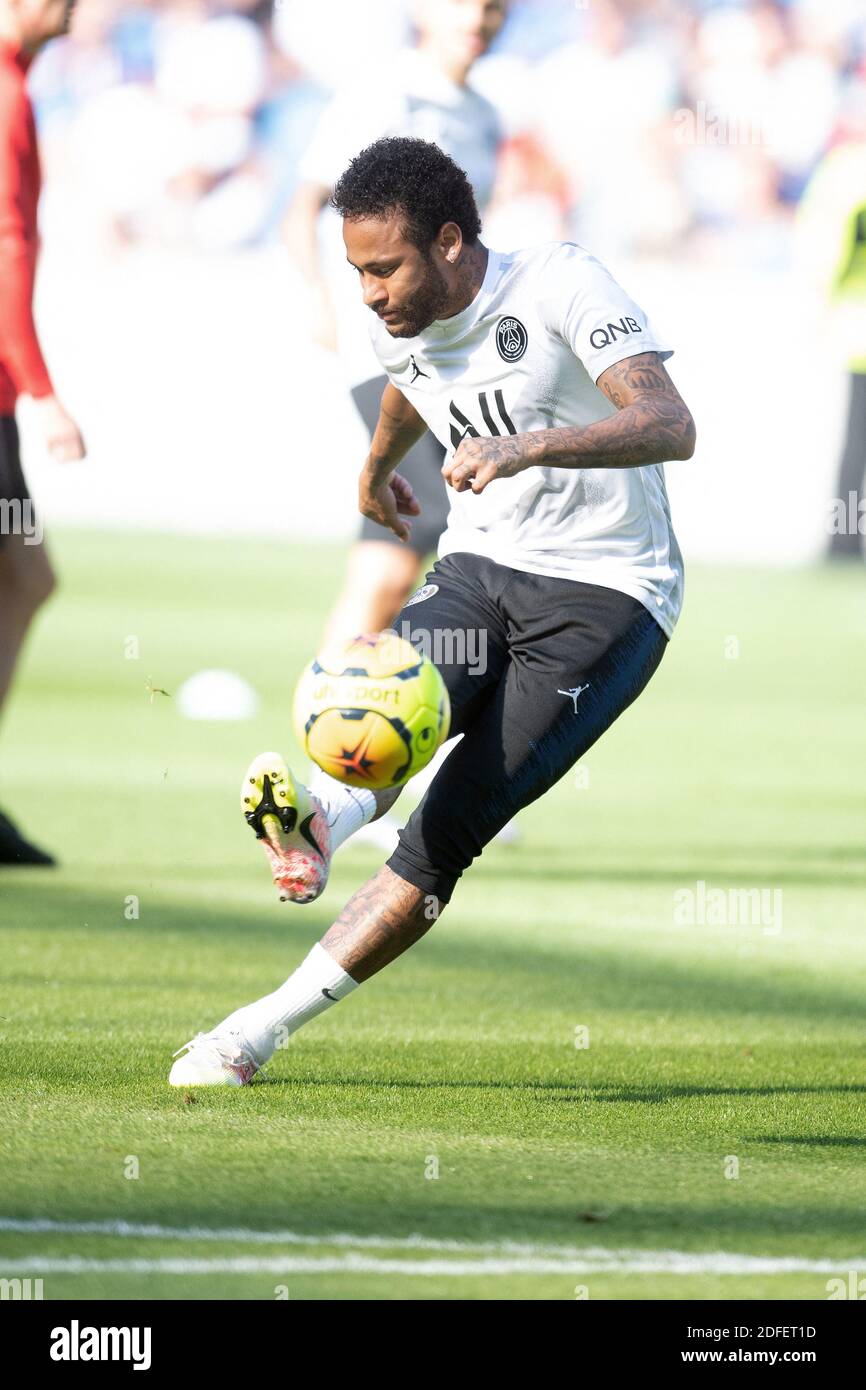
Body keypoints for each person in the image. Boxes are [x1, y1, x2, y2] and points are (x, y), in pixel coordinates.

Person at [170, 137, 695, 1087]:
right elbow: (412, 388)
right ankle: (320, 821)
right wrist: (374, 469)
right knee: (379, 707)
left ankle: (252, 1032)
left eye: (383, 267)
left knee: (444, 830)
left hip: (609, 599)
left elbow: (671, 424)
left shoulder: (561, 284)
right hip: (482, 568)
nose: (368, 292)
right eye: (356, 271)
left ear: (450, 240)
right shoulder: (396, 322)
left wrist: (532, 447)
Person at [285, 0, 506, 642]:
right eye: (466, 6)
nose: (479, 19)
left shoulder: (485, 116)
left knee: (438, 523)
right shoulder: (383, 94)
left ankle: (370, 711)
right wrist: (316, 296)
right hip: (385, 346)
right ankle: (335, 712)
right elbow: (303, 206)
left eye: (493, 8)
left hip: (454, 349)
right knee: (417, 518)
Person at [0, 0, 85, 866]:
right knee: (24, 570)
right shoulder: (6, 93)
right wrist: (42, 391)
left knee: (24, 570)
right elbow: (5, 245)